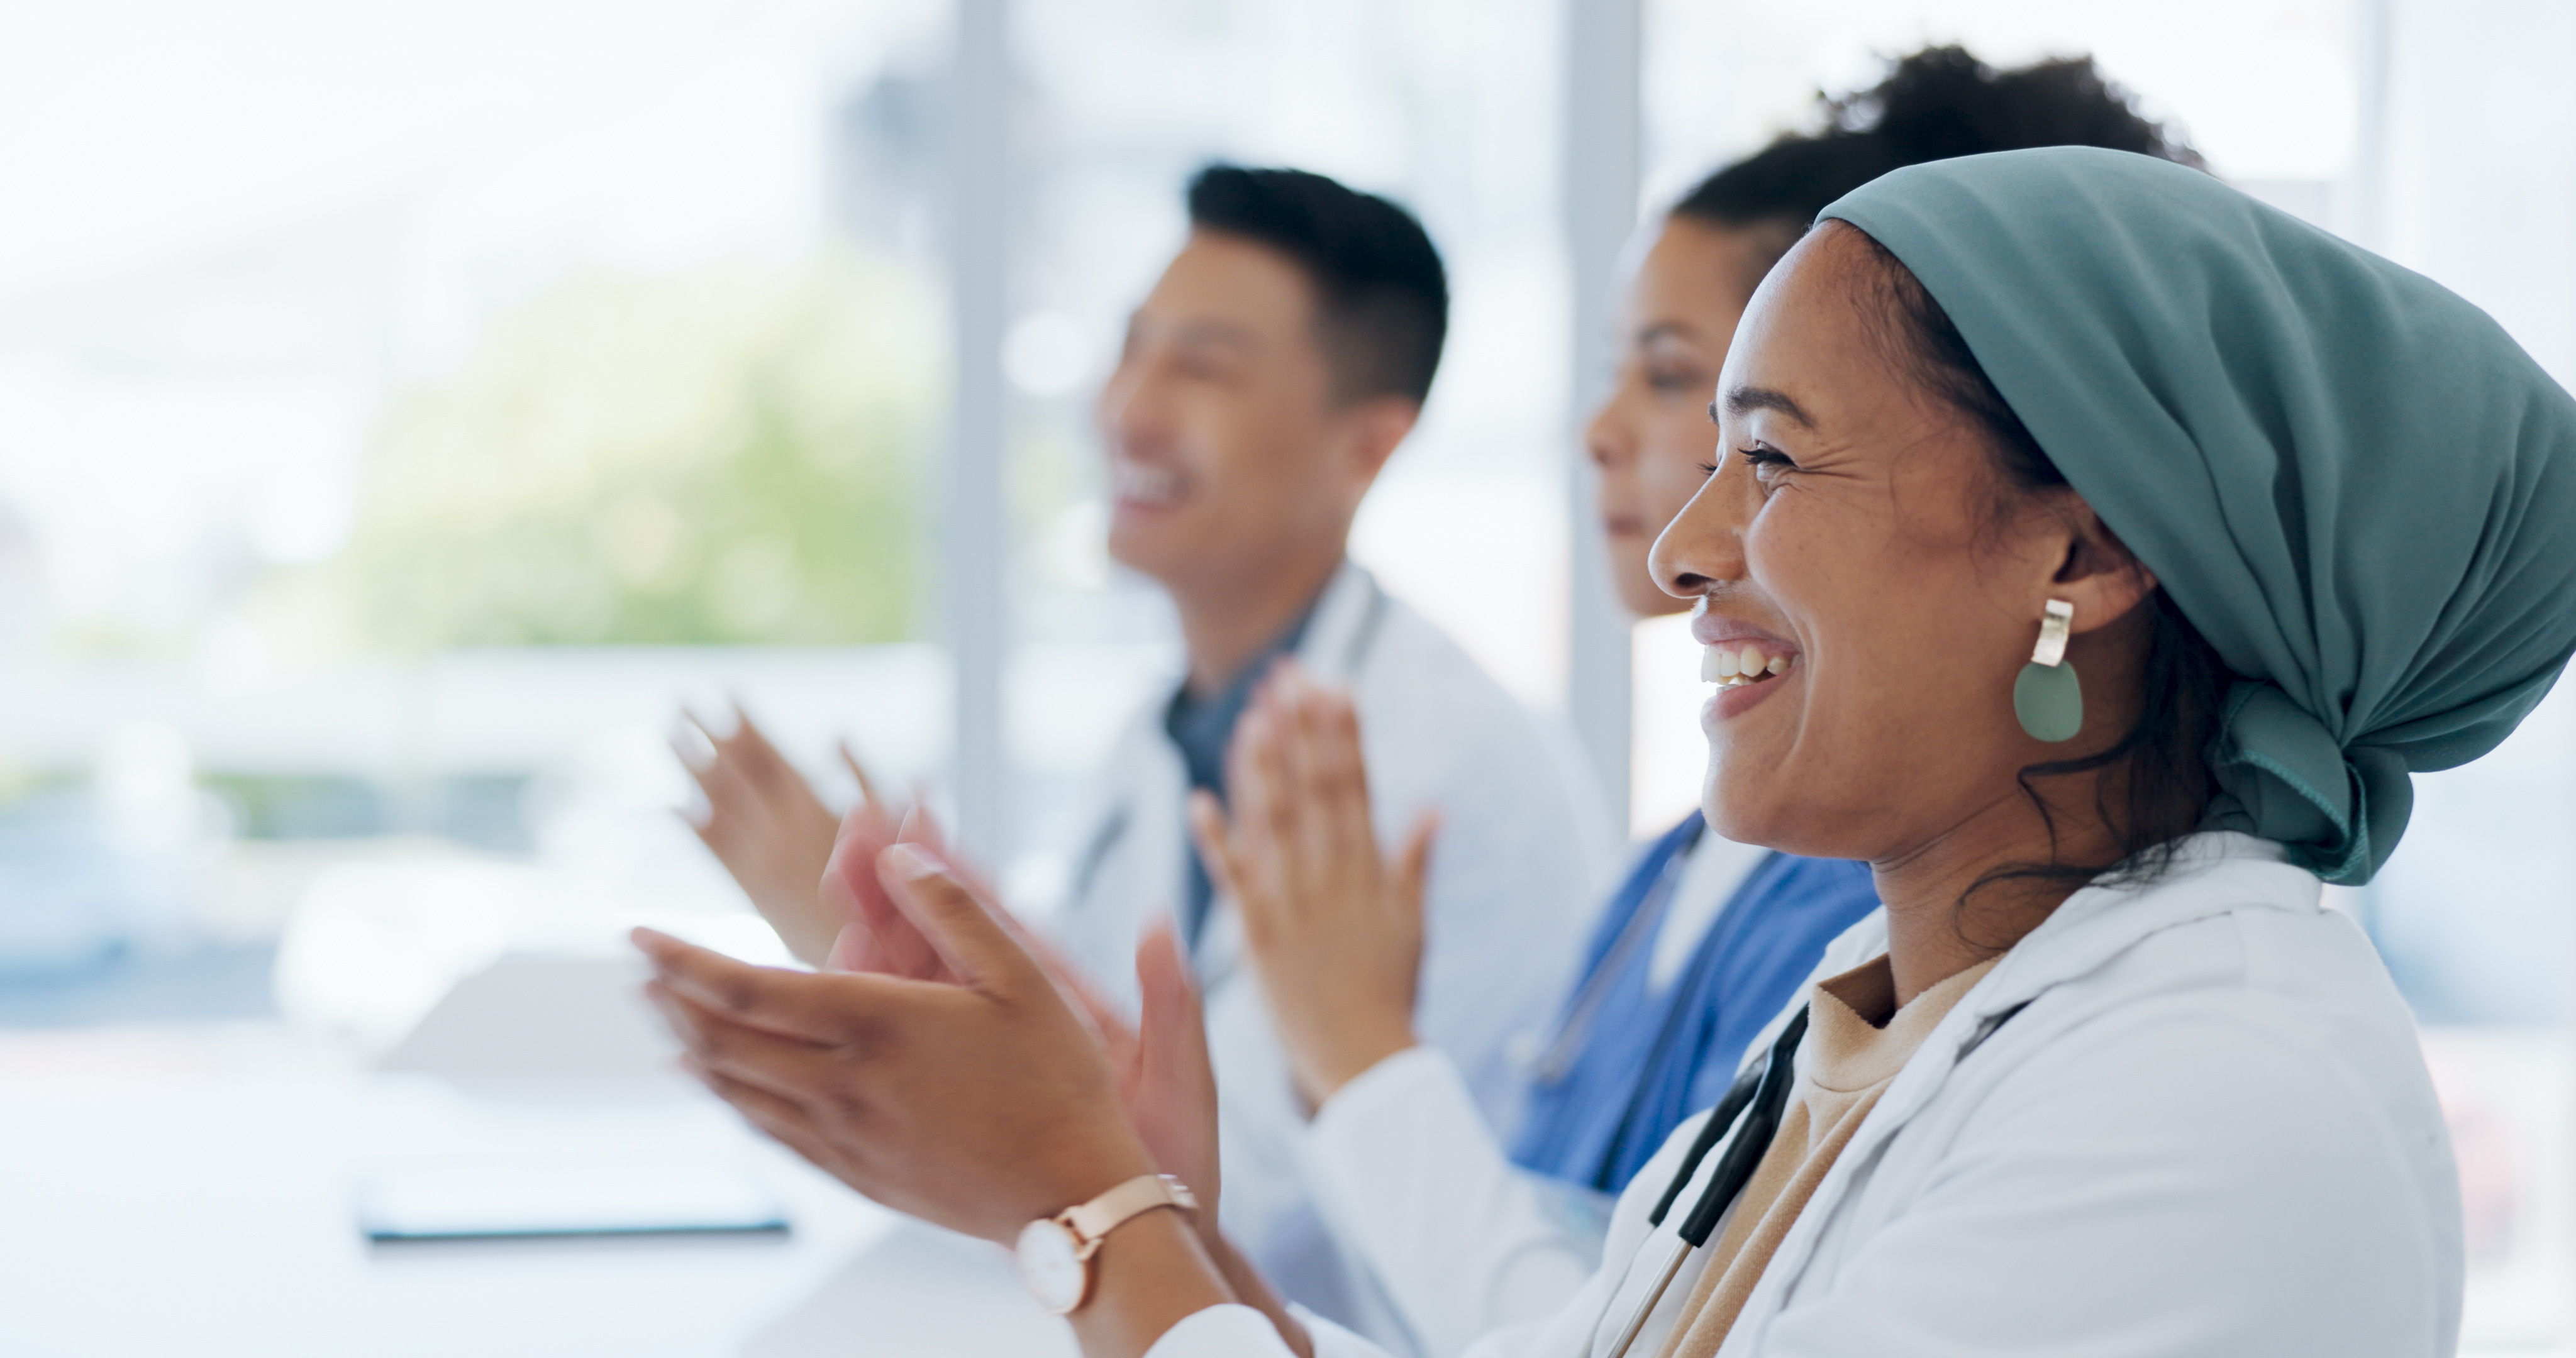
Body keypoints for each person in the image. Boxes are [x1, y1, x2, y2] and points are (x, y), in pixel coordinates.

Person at [638, 143, 2576, 1356]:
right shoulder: (1875, 1003)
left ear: (2082, 548)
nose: (1680, 541)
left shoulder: (2211, 1097)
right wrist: (1170, 1219)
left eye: (1774, 456)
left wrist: (1095, 1213)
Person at [1211, 50, 2204, 1358]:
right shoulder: (1685, 872)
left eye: (1743, 424)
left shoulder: (1911, 922)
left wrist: (1334, 1071)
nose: (1628, 456)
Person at [674, 165, 1611, 1339]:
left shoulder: (1434, 763)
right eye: (1133, 349)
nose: (1129, 406)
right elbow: (1119, 1095)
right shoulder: (1168, 729)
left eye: (1203, 367)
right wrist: (915, 975)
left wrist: (962, 1045)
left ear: (1365, 447)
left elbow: (1229, 1201)